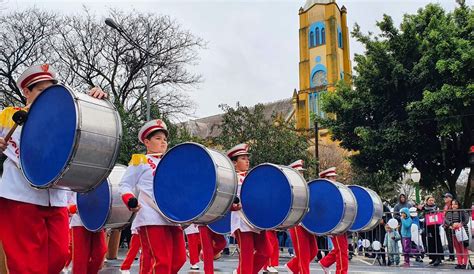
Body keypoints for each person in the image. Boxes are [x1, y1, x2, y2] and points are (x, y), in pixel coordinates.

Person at [0, 64, 107, 273]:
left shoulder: (63, 117)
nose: (45, 96)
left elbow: (88, 130)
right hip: (20, 197)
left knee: (60, 257)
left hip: (56, 197)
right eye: (40, 90)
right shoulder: (8, 115)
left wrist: (94, 101)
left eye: (49, 91)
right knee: (27, 264)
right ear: (26, 92)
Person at [119, 119, 186, 274]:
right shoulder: (140, 160)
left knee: (179, 259)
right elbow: (125, 185)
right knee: (161, 262)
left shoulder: (169, 164)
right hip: (151, 216)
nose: (163, 143)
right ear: (147, 142)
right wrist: (130, 200)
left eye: (165, 139)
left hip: (172, 217)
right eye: (158, 138)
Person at [228, 143, 271, 274]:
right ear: (234, 163)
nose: (247, 161)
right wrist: (232, 206)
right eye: (243, 158)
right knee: (246, 258)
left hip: (256, 221)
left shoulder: (252, 177)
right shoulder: (231, 178)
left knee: (266, 252)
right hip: (242, 222)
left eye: (247, 158)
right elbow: (224, 200)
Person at [285, 159, 318, 274]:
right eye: (299, 172)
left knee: (314, 251)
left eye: (302, 172)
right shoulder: (289, 188)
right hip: (297, 224)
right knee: (303, 254)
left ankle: (292, 267)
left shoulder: (305, 187)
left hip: (307, 224)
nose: (301, 175)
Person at [318, 167, 349, 274]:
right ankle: (341, 272)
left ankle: (325, 262)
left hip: (340, 223)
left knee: (342, 249)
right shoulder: (324, 192)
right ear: (325, 178)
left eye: (334, 177)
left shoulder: (336, 191)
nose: (335, 180)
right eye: (332, 177)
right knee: (341, 250)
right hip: (333, 225)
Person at [68, 192, 108, 274]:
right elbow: (66, 193)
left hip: (96, 219)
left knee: (100, 252)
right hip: (79, 220)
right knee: (80, 259)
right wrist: (71, 207)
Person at [444, 199, 469, 269]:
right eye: (452, 204)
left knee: (463, 247)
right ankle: (459, 263)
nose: (453, 206)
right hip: (453, 232)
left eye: (455, 204)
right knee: (457, 248)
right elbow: (445, 220)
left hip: (462, 232)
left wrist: (460, 224)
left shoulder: (462, 211)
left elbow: (466, 220)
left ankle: (465, 263)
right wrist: (451, 224)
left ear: (458, 205)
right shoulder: (449, 212)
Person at [420, 195, 443, 266]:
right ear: (427, 201)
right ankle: (433, 257)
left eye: (432, 200)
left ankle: (438, 258)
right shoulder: (424, 207)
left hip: (435, 226)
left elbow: (439, 215)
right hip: (427, 226)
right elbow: (418, 211)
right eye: (430, 200)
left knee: (436, 241)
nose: (431, 202)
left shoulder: (436, 207)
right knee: (430, 242)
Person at [442, 193, 455, 261]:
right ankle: (451, 256)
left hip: (451, 225)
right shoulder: (446, 206)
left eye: (446, 197)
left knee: (452, 241)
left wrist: (451, 224)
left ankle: (453, 256)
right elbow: (444, 215)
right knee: (449, 241)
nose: (445, 198)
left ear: (450, 198)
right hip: (446, 225)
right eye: (444, 197)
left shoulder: (452, 205)